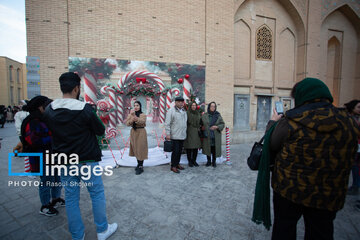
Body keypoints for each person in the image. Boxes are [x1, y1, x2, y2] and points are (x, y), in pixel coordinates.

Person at [264, 78, 359, 240]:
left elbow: (271, 143)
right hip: (329, 192)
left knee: (284, 228)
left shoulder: (292, 120)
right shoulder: (348, 122)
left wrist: (273, 122)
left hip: (290, 190)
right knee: (321, 231)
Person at [43, 72, 117, 240]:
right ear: (77, 88)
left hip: (64, 162)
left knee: (70, 198)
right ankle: (102, 230)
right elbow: (100, 130)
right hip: (86, 161)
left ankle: (77, 235)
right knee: (96, 194)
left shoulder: (49, 110)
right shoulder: (84, 109)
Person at [20, 96, 64, 216]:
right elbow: (33, 141)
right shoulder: (32, 121)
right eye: (47, 105)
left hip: (52, 155)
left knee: (56, 178)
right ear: (40, 107)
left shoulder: (44, 119)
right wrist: (54, 138)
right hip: (42, 156)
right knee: (46, 180)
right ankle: (45, 205)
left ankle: (56, 198)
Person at [165, 96, 187, 173]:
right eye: (179, 102)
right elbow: (167, 124)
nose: (181, 103)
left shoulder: (184, 111)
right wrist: (168, 134)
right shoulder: (171, 111)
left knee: (180, 151)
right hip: (175, 135)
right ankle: (173, 166)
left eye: (182, 102)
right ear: (176, 103)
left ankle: (177, 164)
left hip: (182, 135)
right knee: (175, 151)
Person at [126, 101, 148, 175]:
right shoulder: (131, 114)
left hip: (141, 132)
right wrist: (132, 118)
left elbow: (143, 122)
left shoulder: (143, 114)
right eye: (135, 105)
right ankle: (138, 164)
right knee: (135, 148)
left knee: (141, 148)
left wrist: (136, 119)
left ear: (140, 106)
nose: (136, 107)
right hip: (133, 133)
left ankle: (141, 166)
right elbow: (127, 123)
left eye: (137, 105)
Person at [201, 102, 225, 167]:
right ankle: (208, 161)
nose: (213, 108)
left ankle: (214, 162)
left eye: (214, 106)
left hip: (215, 135)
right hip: (207, 135)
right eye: (211, 106)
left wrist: (217, 127)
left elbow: (222, 124)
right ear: (209, 107)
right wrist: (202, 128)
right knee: (208, 148)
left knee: (214, 149)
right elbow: (201, 124)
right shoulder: (204, 115)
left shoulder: (218, 115)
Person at [344, 100, 360, 196]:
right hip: (352, 146)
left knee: (355, 167)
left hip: (357, 147)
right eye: (358, 107)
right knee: (354, 166)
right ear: (352, 107)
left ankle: (355, 186)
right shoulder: (349, 118)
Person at [184, 102, 201, 167]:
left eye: (195, 105)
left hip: (196, 131)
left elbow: (200, 122)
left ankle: (194, 161)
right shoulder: (187, 113)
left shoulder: (197, 113)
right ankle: (190, 161)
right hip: (189, 131)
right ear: (190, 106)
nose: (194, 106)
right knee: (189, 147)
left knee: (195, 148)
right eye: (192, 105)